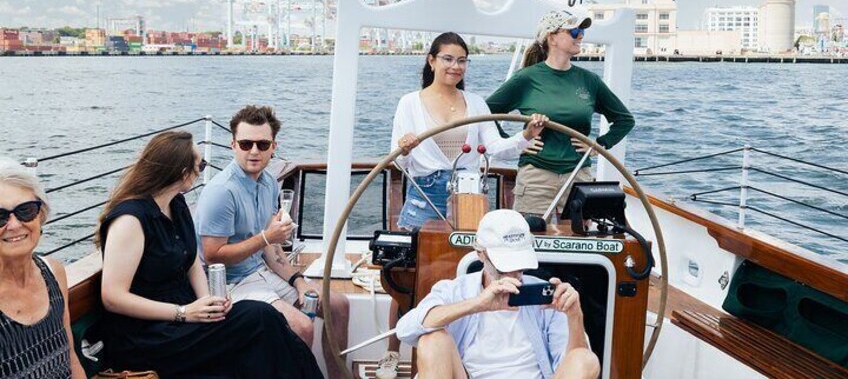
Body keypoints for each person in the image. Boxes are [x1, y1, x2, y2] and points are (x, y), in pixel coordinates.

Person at [377, 32, 546, 378]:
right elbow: (397, 163)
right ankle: (393, 354)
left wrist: (525, 136)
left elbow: (496, 148)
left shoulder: (476, 103)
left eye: (462, 60)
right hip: (423, 198)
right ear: (432, 60)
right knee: (405, 284)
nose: (455, 66)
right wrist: (405, 148)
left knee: (470, 274)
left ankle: (470, 353)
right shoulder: (409, 103)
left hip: (469, 201)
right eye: (448, 59)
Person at [97, 132, 321, 378]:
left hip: (187, 320)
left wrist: (211, 302)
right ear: (182, 171)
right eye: (200, 165)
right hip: (148, 336)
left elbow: (192, 261)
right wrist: (183, 313)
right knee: (259, 317)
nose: (202, 170)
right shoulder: (130, 220)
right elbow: (112, 297)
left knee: (267, 321)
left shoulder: (176, 205)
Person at [195, 105, 350, 378]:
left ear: (273, 147)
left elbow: (271, 249)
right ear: (233, 145)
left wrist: (298, 281)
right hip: (229, 285)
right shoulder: (221, 192)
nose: (254, 151)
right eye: (245, 143)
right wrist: (267, 236)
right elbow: (213, 256)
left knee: (337, 305)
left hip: (260, 273)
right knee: (302, 327)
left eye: (262, 144)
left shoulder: (268, 182)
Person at [396, 209, 600, 379]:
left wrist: (574, 315)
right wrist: (478, 304)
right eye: (504, 266)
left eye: (519, 266)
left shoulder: (545, 295)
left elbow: (571, 363)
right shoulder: (456, 290)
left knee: (586, 359)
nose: (514, 274)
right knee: (432, 341)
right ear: (480, 254)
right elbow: (405, 329)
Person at [487, 9, 635, 217]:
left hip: (578, 176)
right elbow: (485, 113)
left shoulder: (589, 81)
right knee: (531, 240)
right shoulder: (526, 78)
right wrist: (516, 142)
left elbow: (624, 120)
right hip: (536, 177)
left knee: (578, 242)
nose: (581, 35)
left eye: (582, 31)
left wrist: (598, 145)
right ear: (552, 37)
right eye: (574, 31)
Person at [0, 158, 86, 379]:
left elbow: (70, 358)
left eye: (26, 210)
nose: (15, 224)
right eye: (0, 216)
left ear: (41, 215)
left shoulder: (53, 272)